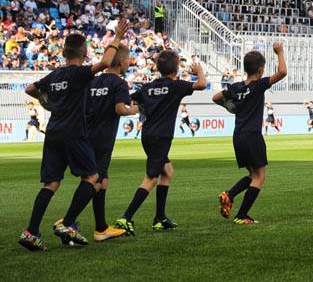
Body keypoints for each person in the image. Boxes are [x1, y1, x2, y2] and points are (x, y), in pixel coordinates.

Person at [18, 21, 127, 251]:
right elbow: (107, 62)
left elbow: (29, 90)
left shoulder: (55, 75)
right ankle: (67, 223)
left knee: (51, 183)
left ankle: (31, 232)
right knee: (92, 177)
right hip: (75, 132)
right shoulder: (79, 74)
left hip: (54, 132)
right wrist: (116, 38)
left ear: (64, 52)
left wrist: (47, 102)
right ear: (85, 52)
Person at [115, 50, 207, 235]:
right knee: (150, 179)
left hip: (148, 134)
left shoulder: (148, 87)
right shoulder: (176, 86)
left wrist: (138, 108)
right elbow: (202, 84)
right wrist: (199, 70)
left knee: (167, 171)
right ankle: (125, 218)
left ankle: (160, 218)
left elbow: (133, 98)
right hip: (161, 137)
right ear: (176, 69)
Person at [214, 42, 288, 224]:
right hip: (252, 135)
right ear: (261, 69)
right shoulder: (259, 85)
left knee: (252, 175)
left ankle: (229, 195)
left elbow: (215, 97)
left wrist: (230, 106)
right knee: (260, 177)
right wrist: (279, 52)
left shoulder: (236, 87)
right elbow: (283, 72)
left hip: (238, 135)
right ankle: (242, 215)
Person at [85, 42, 137, 242]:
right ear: (122, 61)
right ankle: (69, 219)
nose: (129, 62)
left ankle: (101, 227)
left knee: (102, 180)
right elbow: (119, 109)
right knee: (95, 181)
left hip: (88, 135)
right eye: (128, 59)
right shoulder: (119, 83)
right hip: (104, 137)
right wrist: (132, 110)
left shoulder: (93, 81)